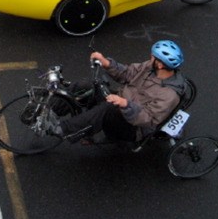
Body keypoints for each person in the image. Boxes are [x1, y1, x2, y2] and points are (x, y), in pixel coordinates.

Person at [48, 40, 186, 143]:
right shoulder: (150, 67)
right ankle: (49, 112)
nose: (151, 56)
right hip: (120, 100)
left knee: (109, 108)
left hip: (131, 127)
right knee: (88, 85)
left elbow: (148, 118)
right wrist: (105, 62)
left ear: (160, 64)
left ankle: (62, 129)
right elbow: (127, 73)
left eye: (154, 56)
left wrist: (125, 104)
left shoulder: (169, 95)